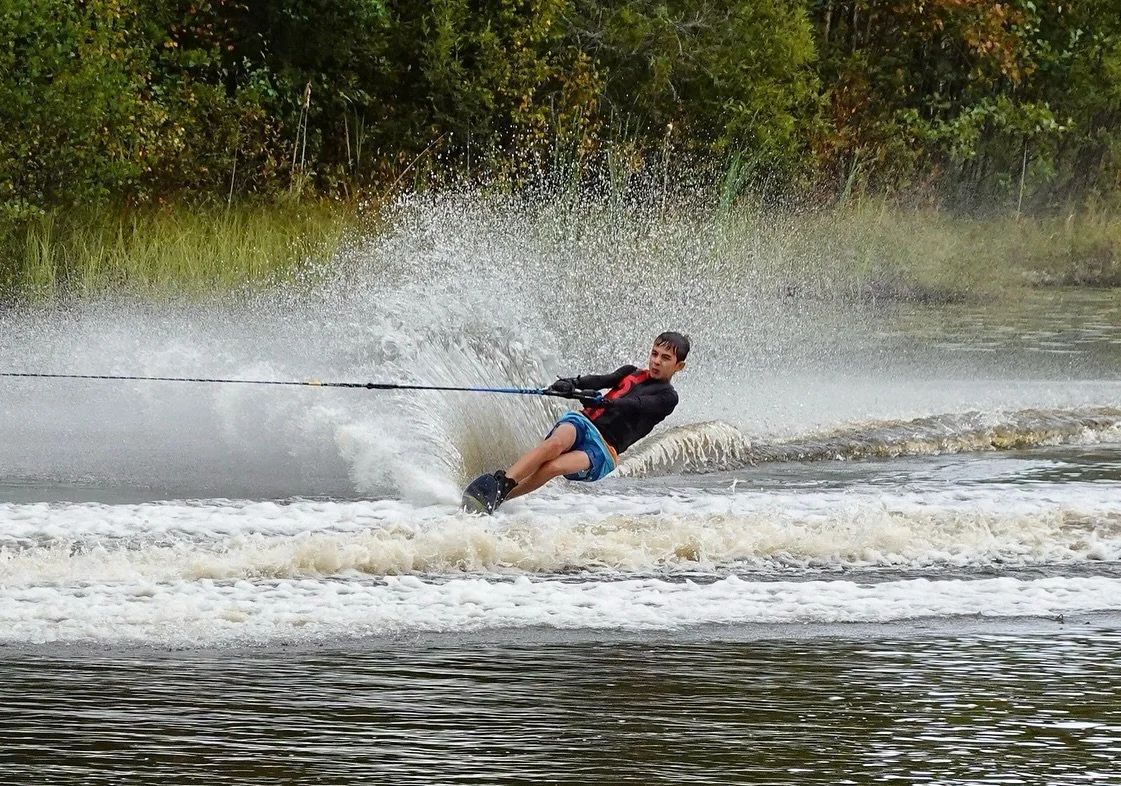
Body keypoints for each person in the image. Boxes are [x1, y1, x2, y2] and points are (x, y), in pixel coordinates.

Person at [474, 331, 690, 512]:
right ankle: (500, 483)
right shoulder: (630, 372)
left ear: (679, 366)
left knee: (553, 466)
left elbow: (636, 404)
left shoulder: (668, 397)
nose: (656, 361)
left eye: (665, 358)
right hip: (584, 422)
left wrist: (603, 402)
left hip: (604, 449)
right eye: (654, 354)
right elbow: (600, 380)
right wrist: (571, 383)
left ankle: (501, 499)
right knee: (555, 444)